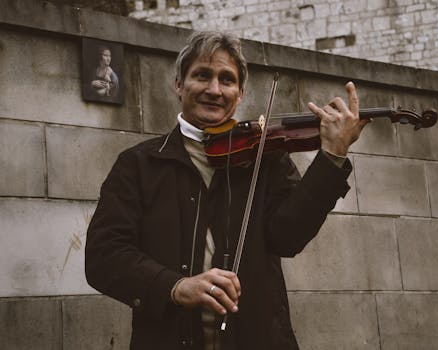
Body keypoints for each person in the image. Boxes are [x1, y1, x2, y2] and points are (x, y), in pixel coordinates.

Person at [85, 31, 369, 350]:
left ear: (240, 93)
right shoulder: (138, 164)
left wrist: (332, 156)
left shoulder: (265, 158)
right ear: (179, 84)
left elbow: (288, 237)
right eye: (202, 75)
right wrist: (175, 286)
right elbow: (103, 256)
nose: (215, 90)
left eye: (227, 80)